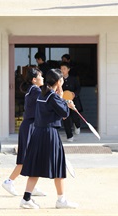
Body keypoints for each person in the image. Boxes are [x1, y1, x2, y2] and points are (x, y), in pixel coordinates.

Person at [20, 69, 78, 209]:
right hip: (50, 134)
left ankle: (26, 199)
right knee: (58, 166)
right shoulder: (52, 97)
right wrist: (68, 105)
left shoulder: (42, 94)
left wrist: (61, 98)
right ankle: (61, 200)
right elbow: (64, 114)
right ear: (58, 81)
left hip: (38, 133)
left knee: (35, 167)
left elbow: (56, 110)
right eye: (61, 80)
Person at [2, 68, 46, 197]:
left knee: (34, 158)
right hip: (29, 127)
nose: (42, 78)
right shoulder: (36, 90)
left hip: (31, 126)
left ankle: (32, 186)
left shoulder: (33, 90)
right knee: (25, 158)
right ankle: (9, 182)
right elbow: (47, 101)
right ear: (34, 80)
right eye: (40, 76)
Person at [60, 62, 82, 142]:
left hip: (73, 101)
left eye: (64, 69)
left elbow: (78, 88)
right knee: (66, 118)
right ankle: (69, 136)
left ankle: (77, 125)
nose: (62, 70)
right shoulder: (59, 80)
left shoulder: (73, 79)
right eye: (61, 69)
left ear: (68, 69)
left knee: (75, 116)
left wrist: (75, 94)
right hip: (63, 102)